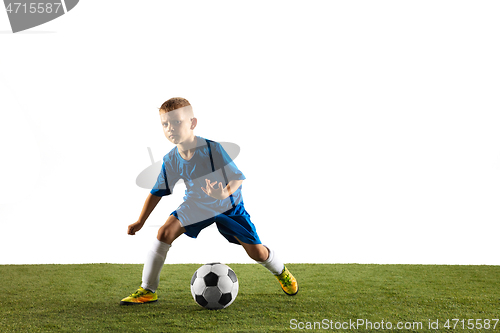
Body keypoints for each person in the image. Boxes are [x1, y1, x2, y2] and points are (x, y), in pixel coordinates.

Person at [120, 97, 298, 305]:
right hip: (196, 205)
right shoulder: (171, 159)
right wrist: (141, 221)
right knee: (164, 232)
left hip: (228, 206)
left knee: (256, 252)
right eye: (165, 124)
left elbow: (237, 178)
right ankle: (148, 289)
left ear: (192, 123)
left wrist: (223, 194)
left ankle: (280, 271)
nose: (170, 128)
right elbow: (157, 192)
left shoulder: (212, 150)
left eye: (176, 122)